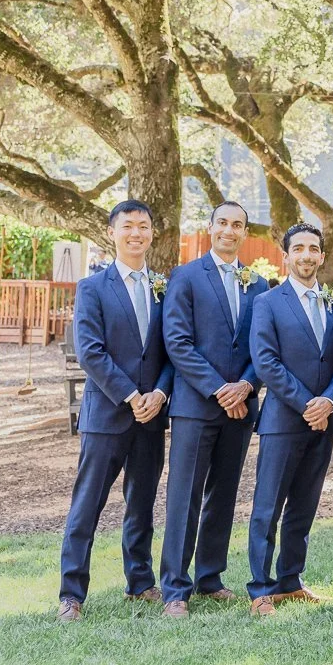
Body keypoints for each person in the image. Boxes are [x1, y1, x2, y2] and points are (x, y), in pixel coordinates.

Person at [56, 200, 173, 622]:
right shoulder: (93, 287)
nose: (136, 233)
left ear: (152, 233)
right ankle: (71, 594)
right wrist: (130, 395)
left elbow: (171, 351)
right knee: (87, 505)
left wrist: (158, 394)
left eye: (144, 226)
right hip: (107, 416)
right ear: (113, 232)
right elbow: (90, 352)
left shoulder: (164, 287)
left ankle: (139, 582)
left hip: (151, 417)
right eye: (128, 226)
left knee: (141, 503)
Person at [158, 201, 270, 617]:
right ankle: (174, 589)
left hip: (241, 407)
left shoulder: (258, 284)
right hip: (195, 406)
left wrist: (245, 385)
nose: (229, 230)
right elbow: (178, 342)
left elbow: (263, 346)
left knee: (223, 495)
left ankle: (210, 577)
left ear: (245, 233)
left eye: (237, 225)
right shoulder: (185, 277)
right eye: (222, 222)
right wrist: (219, 389)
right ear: (210, 228)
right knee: (184, 497)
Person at [246, 223, 333, 617]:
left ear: (322, 256)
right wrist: (308, 402)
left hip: (323, 422)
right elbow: (266, 361)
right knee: (267, 506)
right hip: (283, 420)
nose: (307, 255)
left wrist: (329, 401)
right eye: (300, 249)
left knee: (304, 506)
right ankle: (260, 588)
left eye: (314, 249)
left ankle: (289, 581)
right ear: (286, 256)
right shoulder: (268, 302)